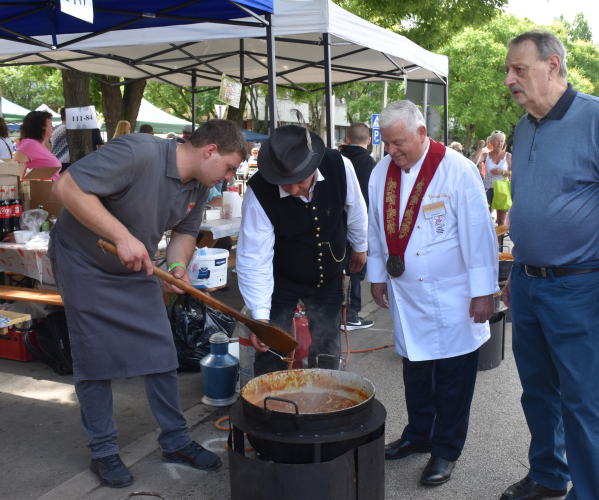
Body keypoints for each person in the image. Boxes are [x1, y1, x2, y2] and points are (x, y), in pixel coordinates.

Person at [49, 119, 246, 488]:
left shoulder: (200, 185)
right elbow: (67, 186)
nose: (229, 176)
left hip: (134, 266)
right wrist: (122, 236)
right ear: (209, 151)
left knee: (160, 348)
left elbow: (185, 232)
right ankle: (103, 451)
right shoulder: (139, 151)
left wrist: (176, 266)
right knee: (94, 356)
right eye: (230, 166)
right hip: (83, 259)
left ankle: (175, 440)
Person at [500, 31, 599, 500]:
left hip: (576, 287)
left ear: (554, 66)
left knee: (580, 401)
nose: (509, 80)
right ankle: (548, 476)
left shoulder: (597, 116)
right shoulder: (524, 126)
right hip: (527, 283)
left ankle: (590, 494)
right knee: (537, 392)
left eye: (519, 69)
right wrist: (517, 271)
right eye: (508, 70)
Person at [366, 100, 498, 487]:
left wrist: (483, 291)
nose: (392, 151)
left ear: (422, 134)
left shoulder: (456, 170)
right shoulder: (380, 174)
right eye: (387, 144)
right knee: (416, 372)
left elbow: (479, 234)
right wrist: (377, 276)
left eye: (399, 143)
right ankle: (419, 434)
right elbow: (377, 229)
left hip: (454, 295)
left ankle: (446, 449)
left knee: (454, 378)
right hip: (407, 297)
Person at [237, 125, 368, 375]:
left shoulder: (340, 165)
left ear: (313, 167)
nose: (293, 190)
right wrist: (262, 321)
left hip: (329, 274)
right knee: (271, 349)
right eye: (284, 184)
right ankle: (269, 405)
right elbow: (254, 259)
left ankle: (326, 397)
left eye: (298, 181)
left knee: (328, 345)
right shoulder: (258, 194)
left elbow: (357, 208)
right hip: (281, 279)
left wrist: (360, 248)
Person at [340, 122, 375, 330]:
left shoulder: (338, 158)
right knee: (356, 270)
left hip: (336, 225)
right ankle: (351, 316)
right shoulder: (368, 162)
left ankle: (340, 314)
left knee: (341, 270)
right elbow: (367, 200)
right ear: (368, 140)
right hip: (359, 226)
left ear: (348, 139)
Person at [473, 130, 512, 226]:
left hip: (502, 190)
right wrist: (481, 147)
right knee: (485, 219)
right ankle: (488, 240)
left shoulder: (508, 156)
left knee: (501, 221)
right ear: (491, 142)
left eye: (502, 141)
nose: (500, 143)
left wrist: (503, 172)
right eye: (497, 141)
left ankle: (499, 241)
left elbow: (514, 173)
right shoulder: (486, 155)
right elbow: (473, 162)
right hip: (488, 188)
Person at [13, 111, 61, 181]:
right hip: (39, 190)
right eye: (50, 124)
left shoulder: (39, 144)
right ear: (41, 127)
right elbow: (16, 171)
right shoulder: (29, 144)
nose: (53, 127)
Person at [51, 108, 70, 172]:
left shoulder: (53, 129)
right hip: (69, 161)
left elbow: (49, 146)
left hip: (55, 161)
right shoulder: (72, 130)